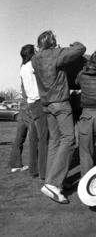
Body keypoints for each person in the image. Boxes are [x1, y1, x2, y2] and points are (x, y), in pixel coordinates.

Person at [32, 30, 86, 204]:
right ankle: (53, 184)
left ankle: (53, 180)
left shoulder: (35, 58)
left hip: (46, 104)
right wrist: (70, 45)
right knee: (69, 140)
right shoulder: (57, 53)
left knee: (54, 142)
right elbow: (81, 48)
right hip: (61, 103)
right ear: (53, 42)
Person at [20, 44, 48, 180]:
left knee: (33, 138)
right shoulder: (33, 65)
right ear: (31, 53)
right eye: (35, 50)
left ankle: (34, 169)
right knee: (44, 139)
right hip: (39, 102)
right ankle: (44, 171)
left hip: (31, 104)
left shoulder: (22, 68)